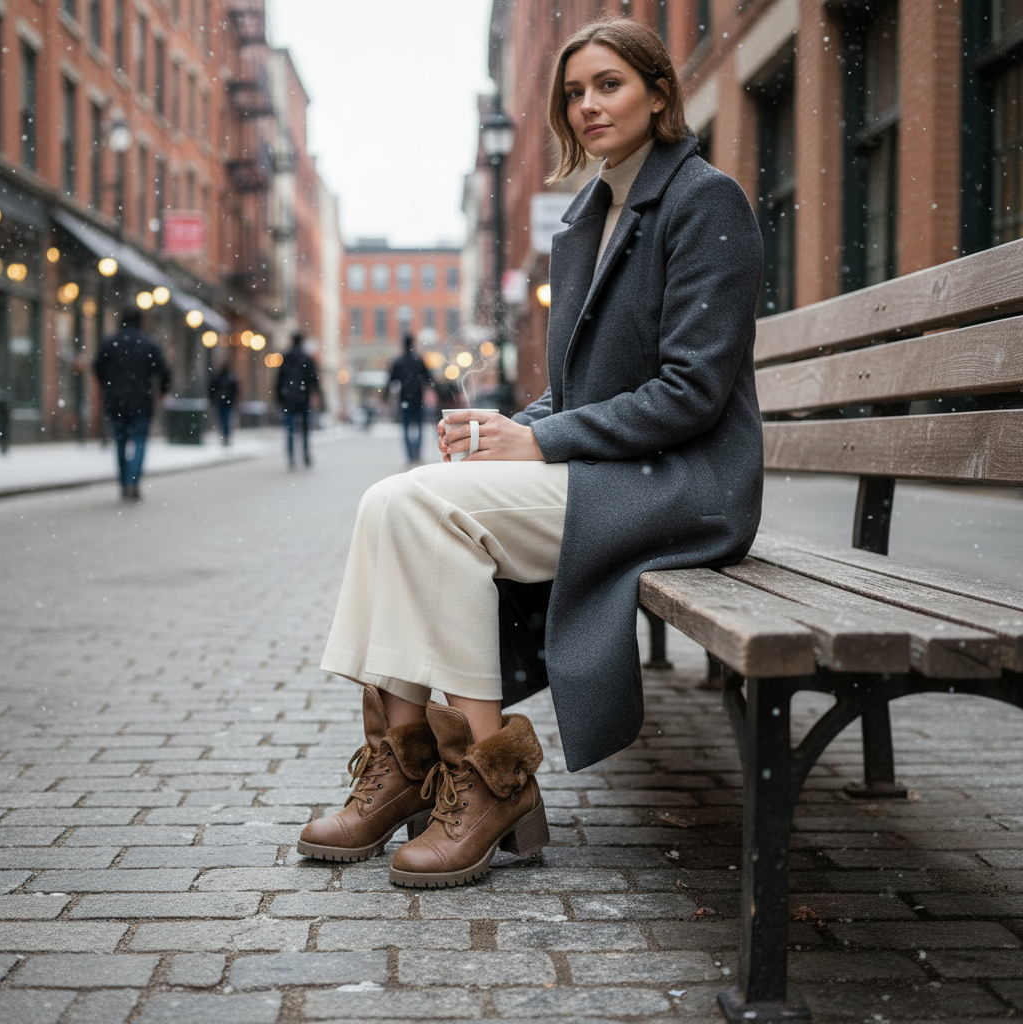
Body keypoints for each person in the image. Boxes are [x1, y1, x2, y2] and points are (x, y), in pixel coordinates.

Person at [298, 18, 763, 888]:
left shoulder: (705, 201)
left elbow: (692, 393)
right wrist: (502, 430)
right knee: (395, 498)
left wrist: (541, 439)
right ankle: (405, 762)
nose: (588, 105)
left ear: (660, 93)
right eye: (575, 92)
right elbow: (581, 387)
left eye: (610, 85)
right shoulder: (588, 216)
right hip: (619, 471)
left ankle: (491, 777)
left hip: (690, 488)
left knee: (425, 510)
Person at [93, 307, 172, 501]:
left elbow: (97, 368)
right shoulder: (148, 343)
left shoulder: (110, 343)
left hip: (116, 401)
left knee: (120, 442)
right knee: (139, 442)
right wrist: (162, 392)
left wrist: (109, 386)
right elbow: (164, 371)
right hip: (141, 402)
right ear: (140, 321)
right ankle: (132, 482)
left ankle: (123, 482)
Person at [388, 332, 436, 465]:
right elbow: (429, 378)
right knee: (419, 428)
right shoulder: (418, 360)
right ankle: (417, 454)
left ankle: (410, 455)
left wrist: (387, 396)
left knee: (406, 429)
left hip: (404, 399)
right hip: (417, 399)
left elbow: (391, 380)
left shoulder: (399, 361)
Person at [275, 331, 320, 468]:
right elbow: (313, 379)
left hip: (288, 397)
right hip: (302, 397)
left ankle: (291, 456)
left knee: (290, 428)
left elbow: (279, 379)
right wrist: (317, 394)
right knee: (305, 429)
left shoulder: (285, 357)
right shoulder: (306, 358)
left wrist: (279, 397)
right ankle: (305, 455)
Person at [208, 357, 240, 446]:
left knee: (225, 420)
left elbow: (235, 390)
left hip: (225, 403)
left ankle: (225, 435)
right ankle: (225, 435)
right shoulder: (225, 377)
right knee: (224, 420)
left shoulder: (225, 378)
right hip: (223, 403)